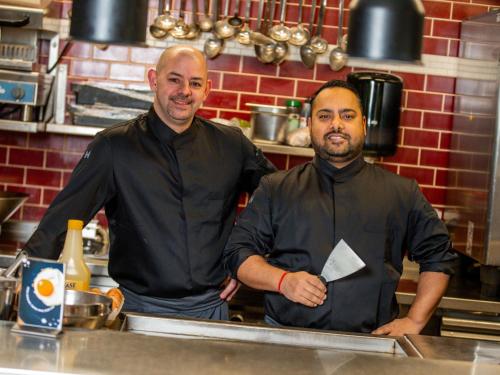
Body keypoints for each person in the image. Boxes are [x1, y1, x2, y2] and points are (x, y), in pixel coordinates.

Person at [24, 45, 276, 319]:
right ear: (154, 80)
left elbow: (277, 198)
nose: (185, 91)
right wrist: (21, 286)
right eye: (174, 79)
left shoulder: (231, 145)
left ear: (207, 89)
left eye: (195, 83)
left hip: (211, 310)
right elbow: (59, 223)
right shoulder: (114, 147)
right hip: (137, 310)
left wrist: (244, 256)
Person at [223, 80, 457, 335]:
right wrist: (282, 281)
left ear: (364, 125)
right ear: (309, 124)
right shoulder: (276, 188)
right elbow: (238, 253)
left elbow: (438, 256)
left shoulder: (401, 192)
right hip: (285, 339)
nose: (336, 124)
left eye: (347, 115)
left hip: (370, 344)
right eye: (324, 116)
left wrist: (415, 321)